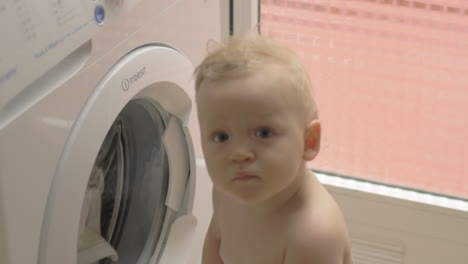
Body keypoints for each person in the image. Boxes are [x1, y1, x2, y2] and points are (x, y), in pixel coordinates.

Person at [194, 32, 353, 264]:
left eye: (263, 133)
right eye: (221, 137)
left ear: (309, 141)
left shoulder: (312, 233)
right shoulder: (227, 191)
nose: (238, 154)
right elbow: (215, 241)